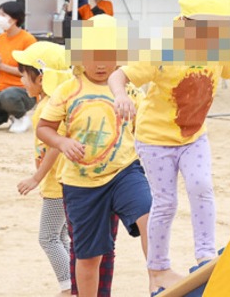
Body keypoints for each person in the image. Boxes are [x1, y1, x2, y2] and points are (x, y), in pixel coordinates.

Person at [108, 0, 230, 294]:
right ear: (184, 23)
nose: (213, 35)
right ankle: (157, 269)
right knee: (166, 203)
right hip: (155, 138)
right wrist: (121, 96)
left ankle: (206, 255)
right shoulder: (163, 48)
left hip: (193, 137)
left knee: (201, 186)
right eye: (207, 28)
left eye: (219, 29)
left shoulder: (220, 46)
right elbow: (120, 75)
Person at [37, 15, 153, 297]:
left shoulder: (130, 91)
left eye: (109, 56)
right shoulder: (68, 90)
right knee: (90, 257)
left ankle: (157, 274)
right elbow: (44, 128)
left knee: (150, 214)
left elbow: (146, 131)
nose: (101, 64)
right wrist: (63, 142)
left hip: (124, 172)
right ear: (79, 55)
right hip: (81, 185)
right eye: (93, 56)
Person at [15, 40, 74, 296]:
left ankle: (69, 287)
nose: (22, 82)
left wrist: (37, 177)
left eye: (24, 77)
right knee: (61, 237)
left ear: (41, 78)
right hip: (64, 182)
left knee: (48, 238)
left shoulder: (46, 109)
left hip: (56, 184)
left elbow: (54, 147)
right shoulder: (59, 102)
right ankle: (76, 282)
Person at [0, 0, 38, 132]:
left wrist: (2, 66)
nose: (0, 18)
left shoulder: (28, 40)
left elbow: (31, 72)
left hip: (23, 91)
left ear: (15, 18)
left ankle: (20, 116)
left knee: (8, 95)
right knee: (4, 96)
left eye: (3, 15)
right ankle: (6, 113)